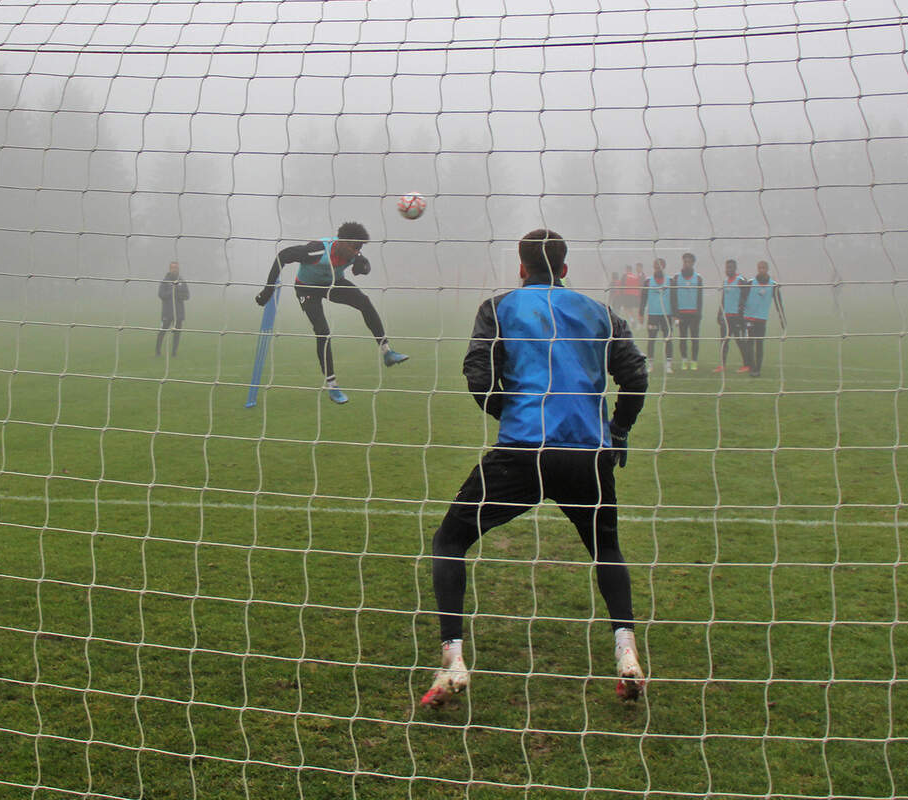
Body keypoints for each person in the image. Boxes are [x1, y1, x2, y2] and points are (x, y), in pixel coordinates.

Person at [421, 228, 649, 708]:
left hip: (522, 452)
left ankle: (453, 659)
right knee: (606, 546)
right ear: (564, 270)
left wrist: (517, 414)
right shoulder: (599, 312)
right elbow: (635, 376)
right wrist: (618, 429)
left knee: (449, 541)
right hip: (588, 455)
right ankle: (627, 653)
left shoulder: (499, 307)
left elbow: (477, 376)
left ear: (521, 268)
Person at [254, 221, 408, 405]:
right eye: (354, 247)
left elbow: (364, 266)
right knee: (323, 331)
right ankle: (332, 385)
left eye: (360, 247)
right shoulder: (316, 250)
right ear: (342, 242)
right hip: (307, 290)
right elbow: (283, 256)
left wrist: (363, 268)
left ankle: (387, 353)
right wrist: (267, 291)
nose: (357, 251)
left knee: (364, 302)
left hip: (332, 284)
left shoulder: (353, 254)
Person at [741, 260, 786, 377]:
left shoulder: (773, 285)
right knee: (750, 343)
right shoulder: (751, 283)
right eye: (759, 268)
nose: (761, 270)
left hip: (761, 319)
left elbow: (778, 303)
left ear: (767, 269)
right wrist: (741, 317)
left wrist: (782, 318)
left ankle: (758, 369)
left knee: (759, 344)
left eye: (763, 268)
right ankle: (752, 367)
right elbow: (742, 299)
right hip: (749, 318)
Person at [713, 259, 750, 374]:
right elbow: (724, 299)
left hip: (738, 317)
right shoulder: (725, 282)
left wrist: (742, 314)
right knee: (724, 341)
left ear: (735, 268)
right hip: (726, 317)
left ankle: (747, 365)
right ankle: (722, 365)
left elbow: (746, 297)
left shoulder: (741, 280)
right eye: (727, 267)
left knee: (740, 341)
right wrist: (720, 313)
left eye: (730, 268)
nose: (728, 270)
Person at [638, 257, 673, 373]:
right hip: (653, 315)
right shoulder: (648, 281)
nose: (658, 268)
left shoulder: (670, 281)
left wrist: (676, 315)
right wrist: (641, 314)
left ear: (664, 267)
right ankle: (651, 364)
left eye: (660, 266)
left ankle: (668, 365)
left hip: (666, 315)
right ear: (654, 267)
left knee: (667, 339)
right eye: (656, 266)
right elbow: (643, 298)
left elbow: (675, 299)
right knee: (651, 339)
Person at [672, 252, 704, 370]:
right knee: (683, 338)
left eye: (689, 262)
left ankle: (694, 360)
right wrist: (675, 314)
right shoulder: (676, 277)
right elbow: (673, 296)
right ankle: (684, 360)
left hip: (694, 314)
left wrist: (699, 313)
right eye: (685, 261)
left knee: (694, 338)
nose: (687, 264)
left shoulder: (698, 278)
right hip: (681, 314)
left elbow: (700, 297)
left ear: (693, 263)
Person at [156, 261, 190, 357]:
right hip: (167, 313)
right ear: (169, 269)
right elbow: (161, 294)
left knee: (177, 334)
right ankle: (157, 352)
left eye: (176, 268)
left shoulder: (182, 282)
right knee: (162, 332)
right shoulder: (165, 281)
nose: (174, 269)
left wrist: (178, 294)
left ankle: (174, 353)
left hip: (178, 313)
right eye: (173, 268)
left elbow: (187, 296)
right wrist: (171, 292)